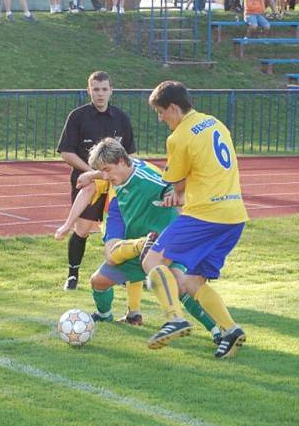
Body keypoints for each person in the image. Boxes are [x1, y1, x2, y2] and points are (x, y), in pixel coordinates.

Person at [54, 138, 223, 345]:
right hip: (137, 246)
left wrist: (178, 200)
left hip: (164, 246)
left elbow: (176, 190)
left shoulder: (149, 179)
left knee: (180, 286)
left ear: (123, 161)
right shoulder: (119, 174)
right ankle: (105, 314)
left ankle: (219, 331)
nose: (105, 177)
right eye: (102, 172)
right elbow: (104, 176)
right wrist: (94, 173)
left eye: (107, 170)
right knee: (98, 281)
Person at [142, 81, 249, 360]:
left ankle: (174, 318)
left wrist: (178, 194)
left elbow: (176, 185)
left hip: (205, 214)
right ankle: (231, 329)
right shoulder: (215, 123)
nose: (160, 118)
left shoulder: (179, 136)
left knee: (152, 261)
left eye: (161, 112)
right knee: (191, 281)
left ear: (174, 108)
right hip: (234, 215)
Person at [56, 71, 135, 291]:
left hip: (115, 184)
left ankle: (124, 276)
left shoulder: (121, 118)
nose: (100, 94)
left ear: (111, 91)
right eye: (96, 89)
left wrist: (116, 175)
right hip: (87, 181)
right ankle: (72, 275)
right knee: (82, 230)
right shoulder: (78, 116)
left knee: (121, 231)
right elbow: (66, 152)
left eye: (104, 89)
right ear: (89, 90)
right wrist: (93, 172)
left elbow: (131, 155)